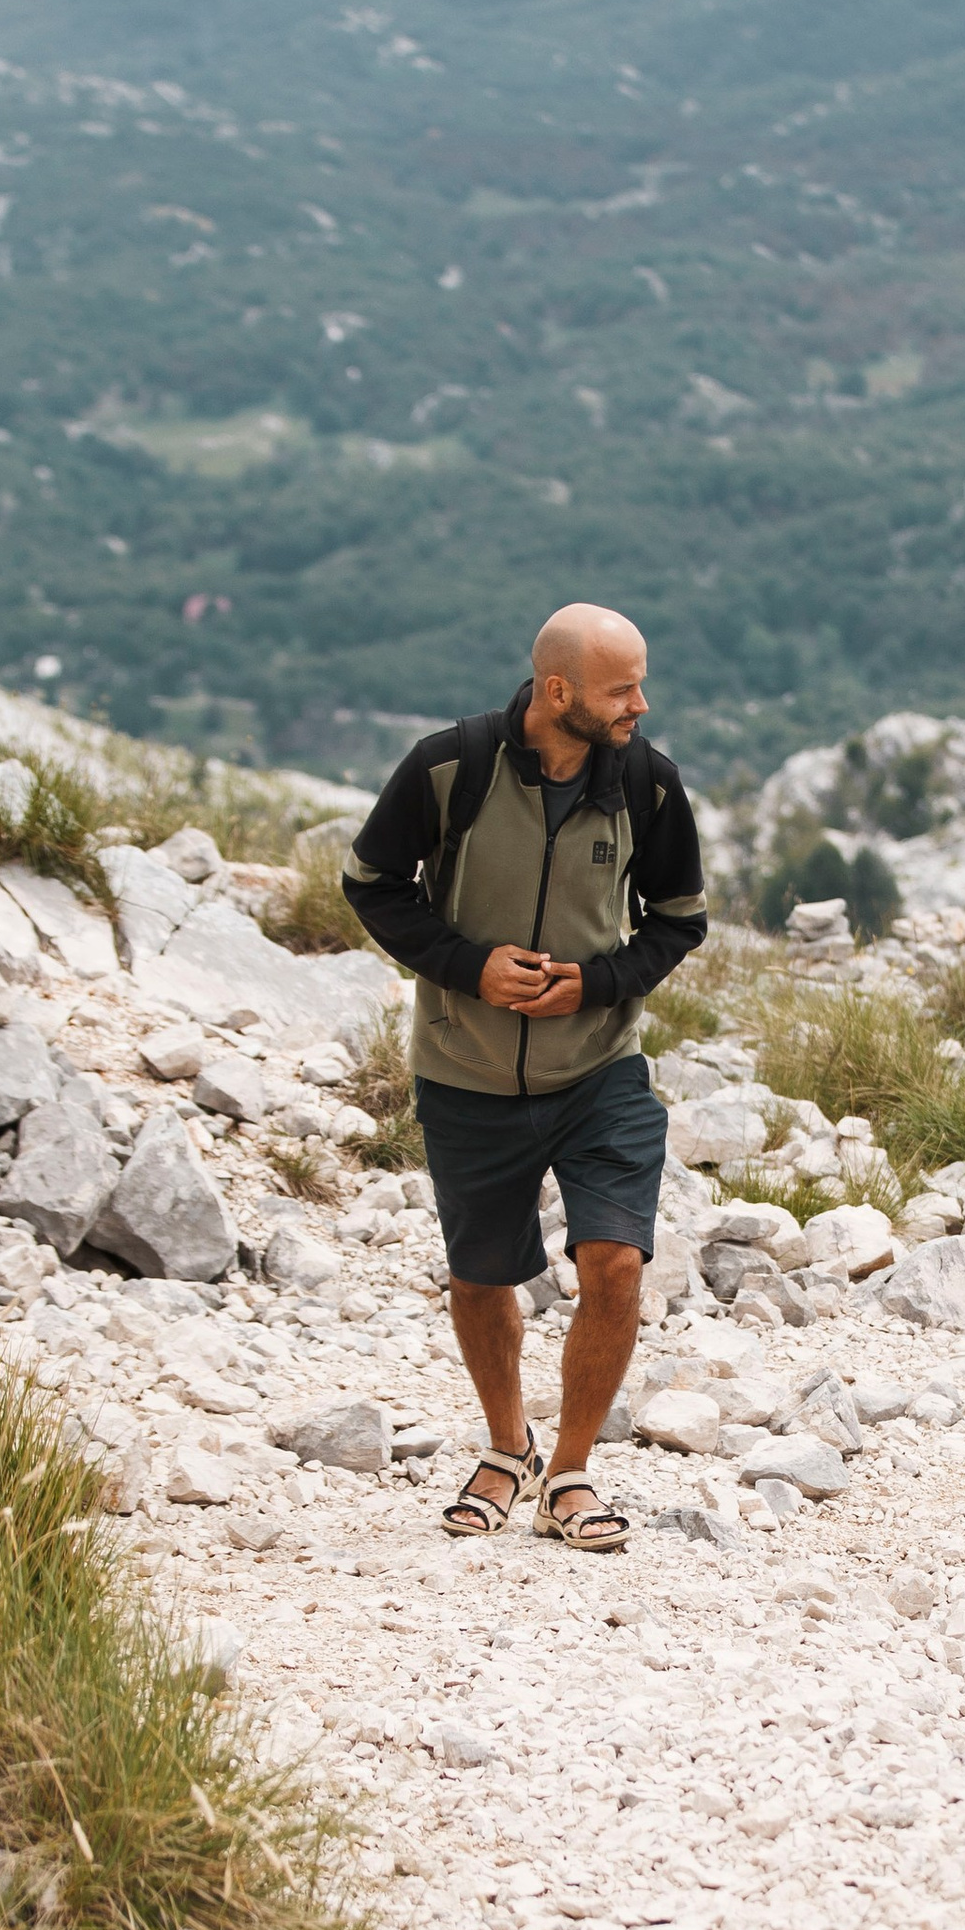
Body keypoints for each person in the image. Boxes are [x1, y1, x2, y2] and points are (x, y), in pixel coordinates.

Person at [341, 603, 707, 1554]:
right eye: (621, 688)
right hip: (464, 1069)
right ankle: (507, 1449)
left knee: (616, 1261)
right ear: (558, 693)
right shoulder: (446, 768)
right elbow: (371, 885)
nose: (641, 703)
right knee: (481, 1273)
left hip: (600, 1069)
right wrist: (468, 966)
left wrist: (597, 983)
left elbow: (678, 919)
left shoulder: (649, 786)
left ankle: (570, 1474)